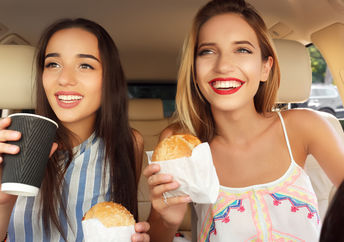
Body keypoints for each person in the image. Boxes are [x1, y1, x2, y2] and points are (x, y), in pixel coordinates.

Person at [143, 0, 344, 241]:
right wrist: (167, 219)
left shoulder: (306, 126)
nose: (224, 65)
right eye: (207, 51)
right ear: (195, 73)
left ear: (265, 68)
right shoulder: (180, 144)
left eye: (242, 50)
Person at [0, 18, 149, 241]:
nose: (64, 79)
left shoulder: (129, 143)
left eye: (85, 65)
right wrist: (3, 203)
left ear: (109, 78)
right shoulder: (11, 143)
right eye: (53, 64)